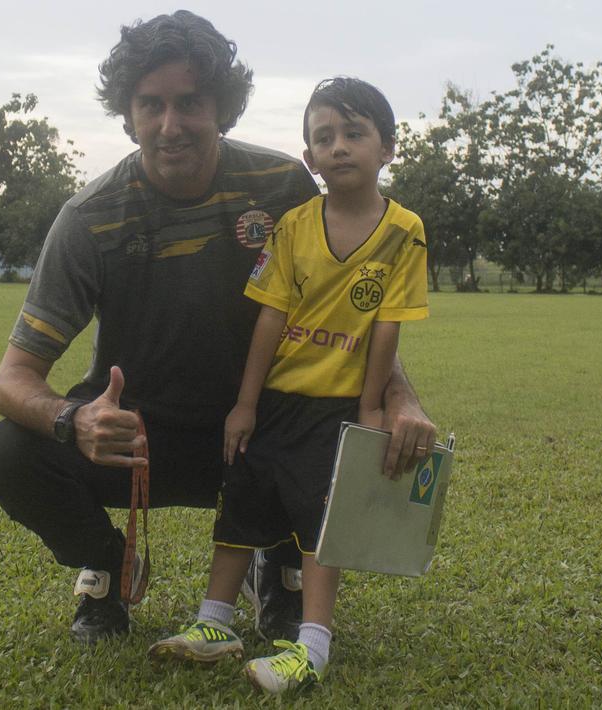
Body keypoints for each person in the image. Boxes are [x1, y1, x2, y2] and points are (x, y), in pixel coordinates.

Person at [0, 12, 437, 647]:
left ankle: (277, 569)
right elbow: (12, 380)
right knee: (9, 451)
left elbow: (343, 312)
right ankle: (109, 567)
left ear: (223, 106)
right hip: (139, 444)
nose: (170, 125)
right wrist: (74, 420)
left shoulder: (280, 187)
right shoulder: (90, 218)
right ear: (127, 112)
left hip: (257, 430)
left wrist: (400, 396)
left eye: (190, 102)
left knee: (312, 435)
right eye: (151, 104)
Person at [147, 77, 430, 695]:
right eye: (323, 138)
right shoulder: (294, 226)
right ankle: (214, 623)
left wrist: (373, 408)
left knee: (319, 526)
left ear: (388, 147)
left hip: (336, 411)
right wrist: (246, 405)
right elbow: (270, 318)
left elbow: (386, 326)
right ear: (308, 158)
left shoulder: (404, 231)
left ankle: (313, 645)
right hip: (275, 402)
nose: (338, 148)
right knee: (240, 508)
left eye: (354, 134)